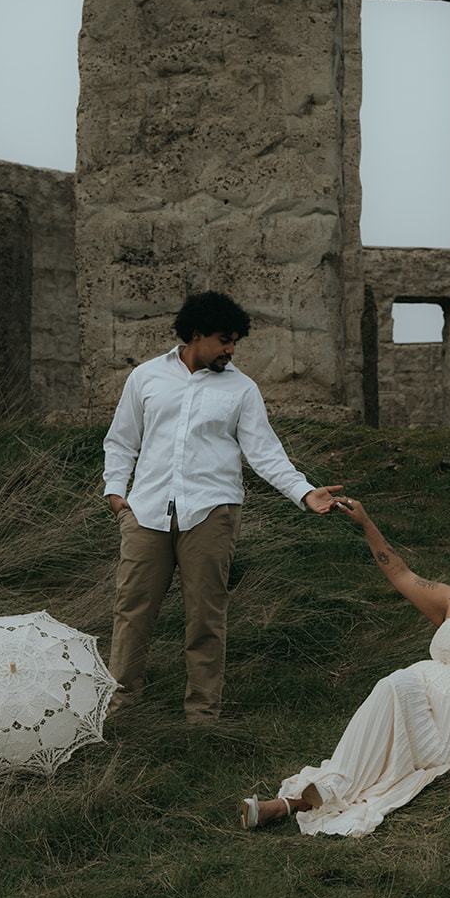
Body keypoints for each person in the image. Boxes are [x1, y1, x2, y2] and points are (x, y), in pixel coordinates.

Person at [239, 496, 450, 835]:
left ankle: (318, 794)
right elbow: (402, 575)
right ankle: (290, 804)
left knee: (397, 684)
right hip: (424, 703)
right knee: (397, 687)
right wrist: (365, 523)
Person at [102, 291, 344, 724]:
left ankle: (202, 716)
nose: (231, 350)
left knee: (205, 619)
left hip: (211, 515)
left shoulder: (241, 388)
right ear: (196, 335)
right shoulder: (145, 377)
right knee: (132, 612)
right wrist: (116, 494)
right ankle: (121, 710)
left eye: (235, 342)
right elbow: (122, 440)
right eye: (224, 340)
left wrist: (305, 492)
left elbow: (265, 452)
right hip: (146, 513)